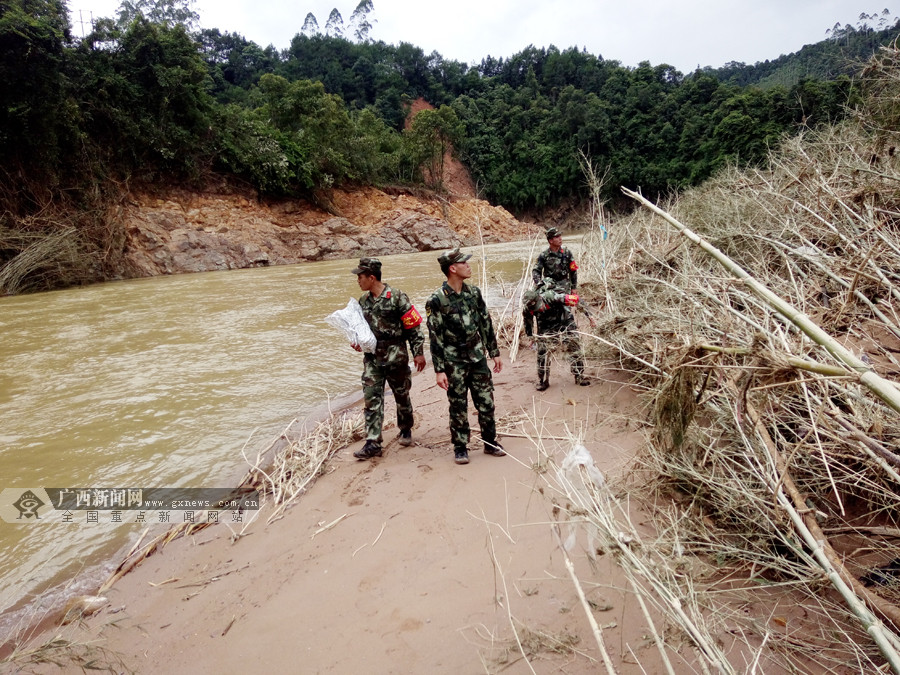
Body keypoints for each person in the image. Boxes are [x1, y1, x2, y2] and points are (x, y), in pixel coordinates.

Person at [425, 248, 506, 465]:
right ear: (453, 268)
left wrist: (494, 351)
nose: (469, 265)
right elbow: (436, 337)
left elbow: (485, 322)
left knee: (486, 401)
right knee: (458, 405)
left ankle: (490, 442)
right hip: (454, 361)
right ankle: (460, 447)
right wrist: (439, 370)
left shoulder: (473, 293)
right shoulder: (436, 300)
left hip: (477, 356)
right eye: (464, 263)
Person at [350, 257, 426, 460]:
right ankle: (373, 442)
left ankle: (406, 428)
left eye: (360, 277)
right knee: (372, 399)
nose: (358, 281)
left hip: (396, 357)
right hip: (373, 360)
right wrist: (357, 342)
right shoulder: (363, 302)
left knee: (402, 396)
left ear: (371, 277)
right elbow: (361, 330)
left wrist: (418, 352)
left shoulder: (397, 297)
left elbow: (413, 327)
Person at [522, 280, 595, 390]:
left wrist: (590, 317)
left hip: (564, 319)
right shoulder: (528, 309)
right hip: (545, 324)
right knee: (542, 351)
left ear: (540, 299)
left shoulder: (553, 297)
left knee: (573, 343)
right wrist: (531, 337)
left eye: (539, 306)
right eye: (536, 309)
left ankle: (579, 375)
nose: (540, 309)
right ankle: (543, 381)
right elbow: (528, 323)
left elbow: (577, 300)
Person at [532, 226, 578, 292]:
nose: (560, 239)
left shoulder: (567, 253)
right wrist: (539, 284)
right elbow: (536, 271)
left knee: (570, 300)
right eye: (557, 237)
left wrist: (574, 287)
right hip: (550, 286)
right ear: (550, 241)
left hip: (564, 286)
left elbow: (573, 271)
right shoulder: (544, 255)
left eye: (560, 236)